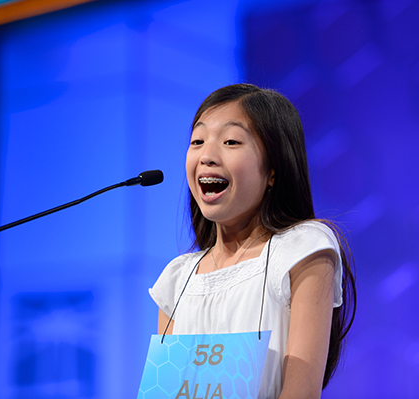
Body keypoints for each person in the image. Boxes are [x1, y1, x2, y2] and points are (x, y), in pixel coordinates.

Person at [149, 83, 356, 398]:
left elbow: (301, 391)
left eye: (231, 141)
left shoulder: (304, 247)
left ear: (274, 168)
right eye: (197, 141)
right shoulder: (177, 279)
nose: (207, 155)